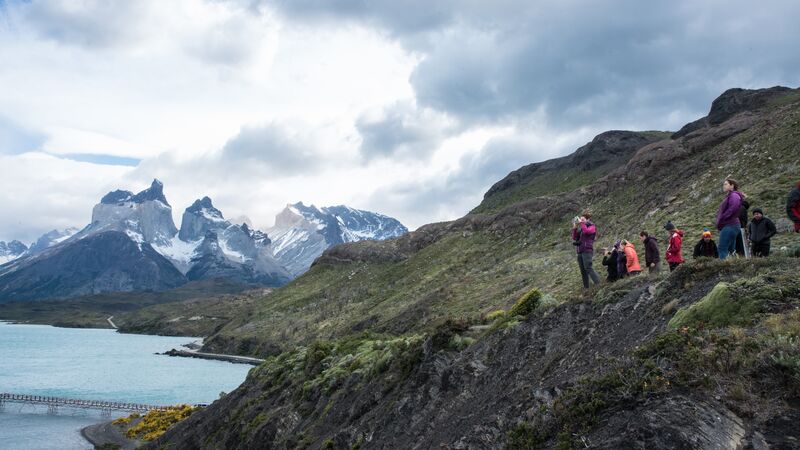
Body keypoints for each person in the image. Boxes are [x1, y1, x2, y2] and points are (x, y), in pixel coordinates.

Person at [716, 178, 745, 259]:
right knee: (731, 249)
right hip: (732, 225)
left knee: (722, 248)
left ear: (732, 185)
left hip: (730, 225)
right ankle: (735, 266)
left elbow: (734, 207)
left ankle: (723, 269)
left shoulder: (734, 195)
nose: (723, 186)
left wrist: (723, 217)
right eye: (723, 184)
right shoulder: (731, 195)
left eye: (726, 184)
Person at [571, 212, 601, 289]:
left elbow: (587, 231)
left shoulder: (592, 226)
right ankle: (586, 288)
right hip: (580, 251)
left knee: (588, 267)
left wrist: (581, 223)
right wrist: (574, 227)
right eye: (580, 219)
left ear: (588, 219)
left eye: (583, 219)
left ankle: (598, 283)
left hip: (587, 250)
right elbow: (574, 237)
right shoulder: (581, 228)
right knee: (583, 271)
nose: (581, 220)